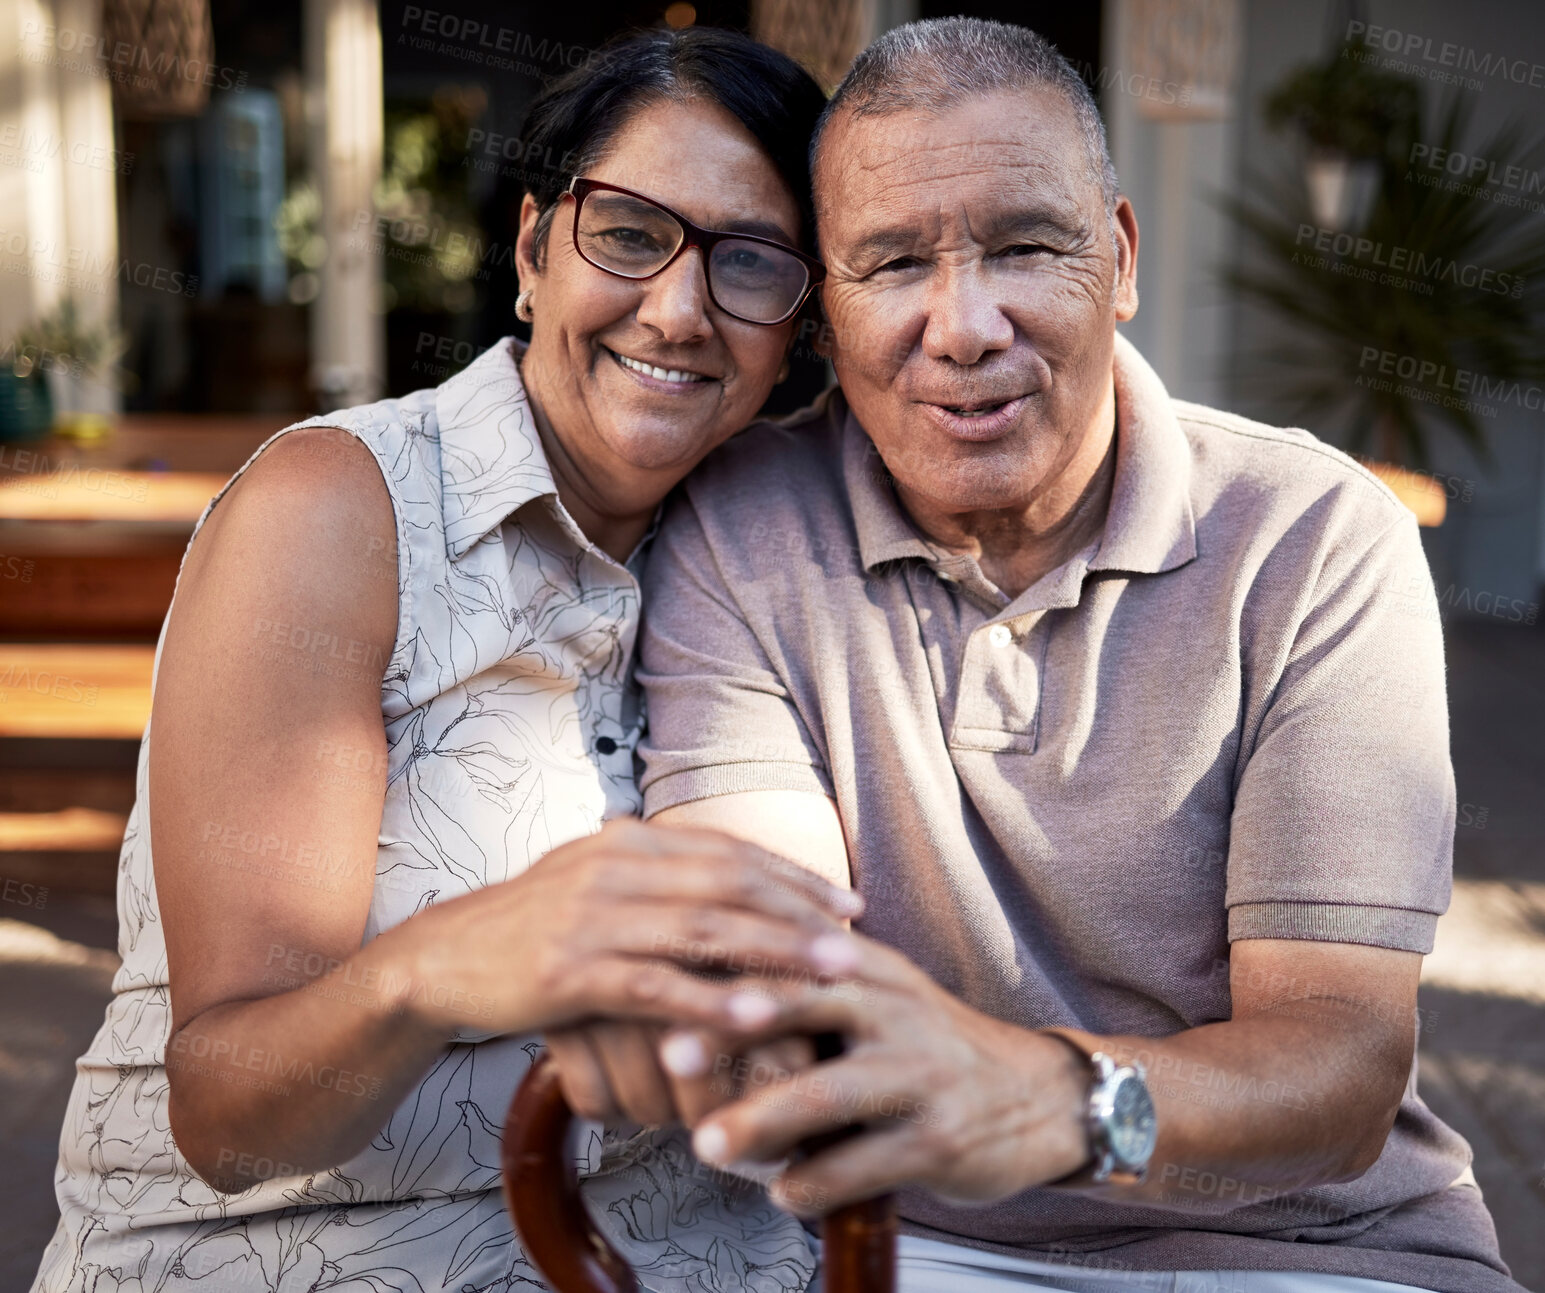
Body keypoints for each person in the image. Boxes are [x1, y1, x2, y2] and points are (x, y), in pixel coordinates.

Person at [621, 17, 1523, 1293]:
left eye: (1025, 247)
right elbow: (772, 961)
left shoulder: (1315, 539)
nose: (964, 327)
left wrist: (1061, 1105)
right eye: (889, 264)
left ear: (1120, 257)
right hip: (903, 1241)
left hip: (1318, 1248)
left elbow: (1339, 1070)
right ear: (825, 309)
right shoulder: (743, 528)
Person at [30, 26, 859, 1293]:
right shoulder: (341, 510)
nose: (681, 310)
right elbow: (229, 1118)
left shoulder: (773, 530)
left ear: (800, 325)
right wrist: (437, 965)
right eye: (630, 234)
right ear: (532, 252)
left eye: (751, 264)